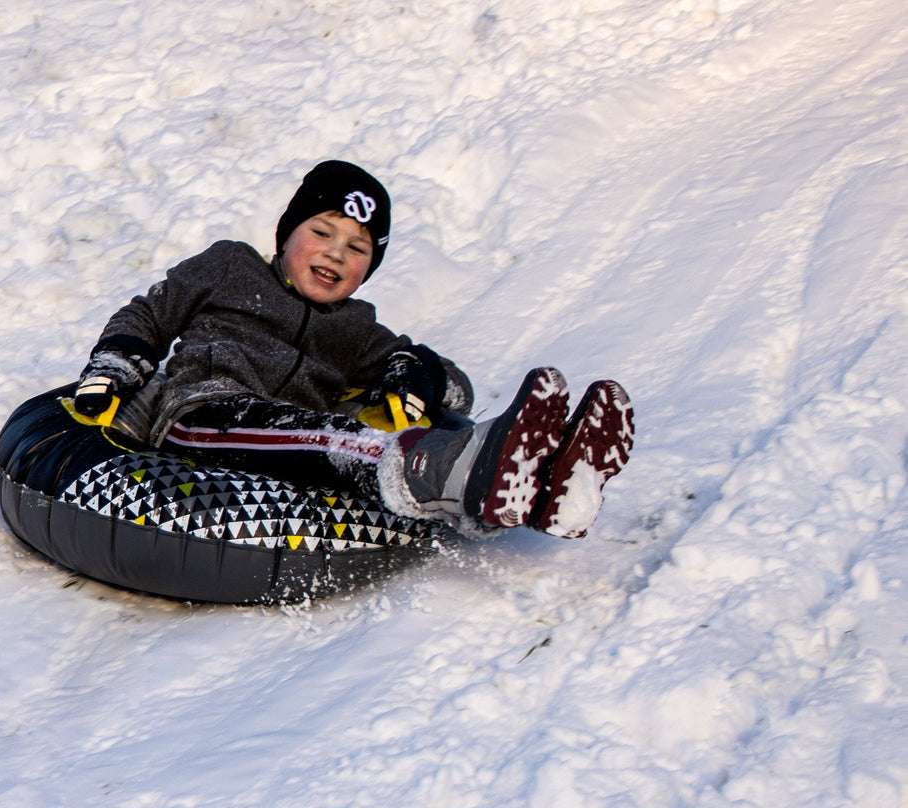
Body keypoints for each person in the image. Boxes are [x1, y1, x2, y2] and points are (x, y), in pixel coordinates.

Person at [72, 160, 633, 538]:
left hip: (289, 447)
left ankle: (546, 482)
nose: (336, 253)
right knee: (339, 440)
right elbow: (150, 313)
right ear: (286, 234)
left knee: (338, 435)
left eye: (357, 247)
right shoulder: (229, 266)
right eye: (321, 232)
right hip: (204, 418)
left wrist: (416, 372)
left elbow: (452, 384)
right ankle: (462, 468)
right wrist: (114, 367)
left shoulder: (356, 328)